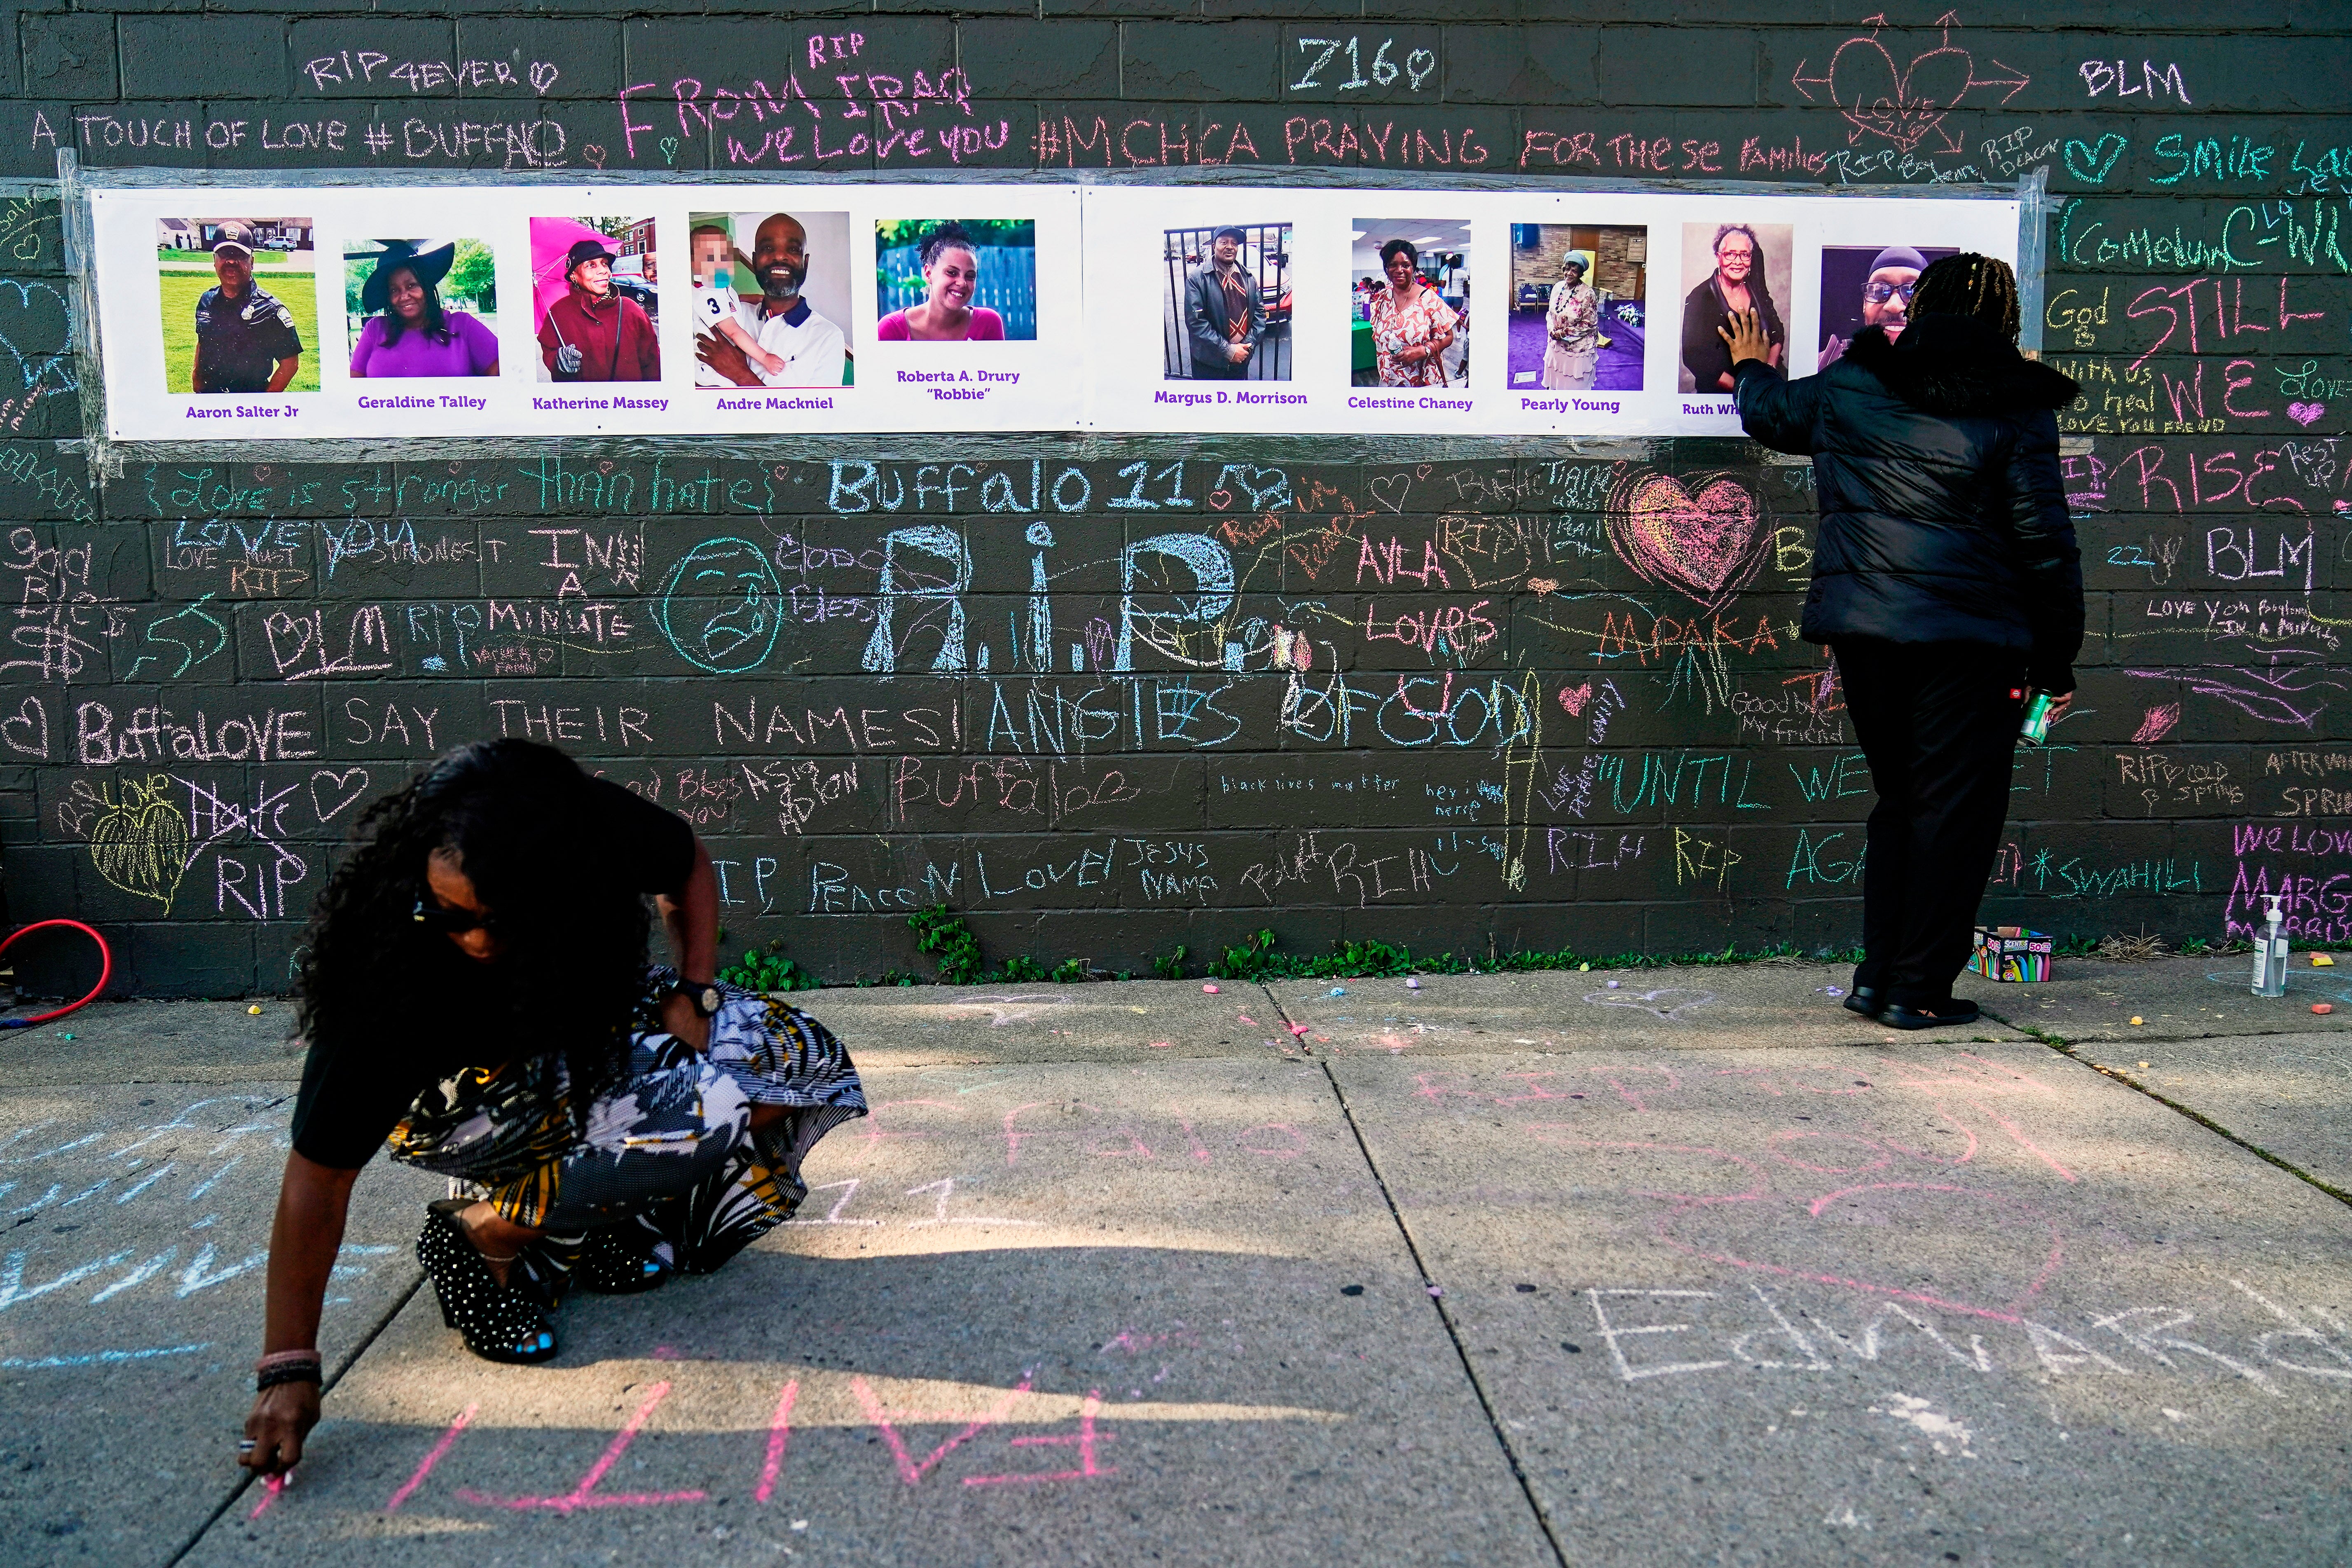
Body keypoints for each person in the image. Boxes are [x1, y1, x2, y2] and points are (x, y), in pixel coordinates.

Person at [238, 740, 866, 1478]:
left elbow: (687, 861)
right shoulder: (389, 979)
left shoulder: (580, 831)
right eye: (445, 913)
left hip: (571, 1041)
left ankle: (589, 1217)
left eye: (499, 922)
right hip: (456, 1106)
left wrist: (693, 993)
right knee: (705, 1108)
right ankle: (485, 1231)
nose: (472, 939)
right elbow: (318, 1180)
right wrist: (288, 1368)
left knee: (801, 1065)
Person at [1720, 254, 2083, 1030]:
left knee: (1900, 803)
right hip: (1971, 644)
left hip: (1866, 633)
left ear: (1919, 309)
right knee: (1953, 814)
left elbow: (1768, 412)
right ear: (2004, 321)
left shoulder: (1855, 382)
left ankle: (1877, 976)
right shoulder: (2015, 404)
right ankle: (1915, 988)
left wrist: (1749, 363)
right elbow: (2044, 544)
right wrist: (2055, 659)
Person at [695, 214, 847, 390]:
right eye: (767, 248)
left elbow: (815, 417)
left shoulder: (828, 337)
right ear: (754, 261)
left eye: (793, 250)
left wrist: (741, 375)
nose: (780, 256)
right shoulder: (734, 314)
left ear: (805, 263)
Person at [348, 240, 498, 379]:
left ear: (426, 287)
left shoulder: (463, 325)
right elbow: (354, 386)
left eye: (412, 285)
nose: (404, 296)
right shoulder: (375, 330)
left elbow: (505, 377)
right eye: (394, 290)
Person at [191, 222, 302, 394]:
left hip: (250, 399)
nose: (231, 261)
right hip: (209, 398)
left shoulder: (270, 310)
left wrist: (264, 402)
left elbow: (290, 363)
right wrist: (196, 378)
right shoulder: (207, 300)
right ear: (215, 260)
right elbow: (203, 342)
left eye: (240, 255)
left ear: (252, 262)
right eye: (225, 254)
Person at [538, 236, 659, 382]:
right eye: (591, 265)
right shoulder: (558, 313)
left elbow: (654, 367)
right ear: (574, 276)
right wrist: (559, 361)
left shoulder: (632, 310)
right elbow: (550, 352)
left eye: (605, 264)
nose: (604, 271)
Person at [1681, 223, 1783, 393]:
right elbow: (1695, 358)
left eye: (1745, 255)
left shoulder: (1757, 289)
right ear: (1719, 257)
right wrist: (1745, 390)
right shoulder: (1699, 298)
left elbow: (1777, 331)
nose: (1738, 262)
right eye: (1730, 254)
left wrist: (1770, 371)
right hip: (1726, 393)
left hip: (1767, 384)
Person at [877, 222, 1004, 342]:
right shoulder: (892, 328)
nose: (962, 283)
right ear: (928, 274)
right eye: (952, 273)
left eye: (970, 276)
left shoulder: (988, 324)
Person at [1819, 245, 1928, 370]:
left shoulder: (1952, 371)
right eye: (1879, 290)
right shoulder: (1826, 366)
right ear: (1865, 304)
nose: (1894, 306)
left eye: (1912, 291)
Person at [1367, 238, 1456, 388]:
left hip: (1421, 384)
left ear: (1413, 268)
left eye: (1406, 265)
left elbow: (1449, 337)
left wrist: (1423, 351)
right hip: (1388, 382)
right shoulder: (1382, 299)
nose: (1399, 270)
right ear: (1386, 268)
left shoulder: (1429, 299)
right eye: (1393, 265)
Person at [1184, 225, 1263, 379]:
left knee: (1236, 402)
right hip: (1210, 364)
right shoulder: (1197, 278)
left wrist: (1245, 348)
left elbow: (1260, 315)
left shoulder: (1248, 278)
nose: (1230, 247)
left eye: (1234, 243)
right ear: (1214, 246)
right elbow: (1196, 323)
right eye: (1224, 242)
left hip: (1241, 360)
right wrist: (1228, 350)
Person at [1542, 253, 1602, 391]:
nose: (1569, 273)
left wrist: (1562, 333)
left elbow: (1588, 324)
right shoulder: (1557, 287)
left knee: (1573, 385)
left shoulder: (1588, 294)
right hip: (1556, 344)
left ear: (1580, 274)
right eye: (1567, 269)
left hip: (1577, 349)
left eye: (1574, 271)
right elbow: (1550, 313)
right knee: (1557, 381)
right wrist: (1551, 330)